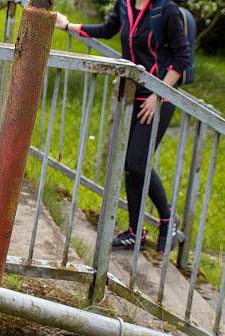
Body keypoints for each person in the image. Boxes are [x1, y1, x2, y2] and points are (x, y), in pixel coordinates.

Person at [55, 0, 189, 253]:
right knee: (131, 166)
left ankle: (168, 218)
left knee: (137, 162)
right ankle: (135, 231)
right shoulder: (124, 4)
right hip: (131, 95)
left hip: (158, 98)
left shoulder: (166, 9)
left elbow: (182, 59)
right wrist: (67, 25)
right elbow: (107, 30)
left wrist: (157, 95)